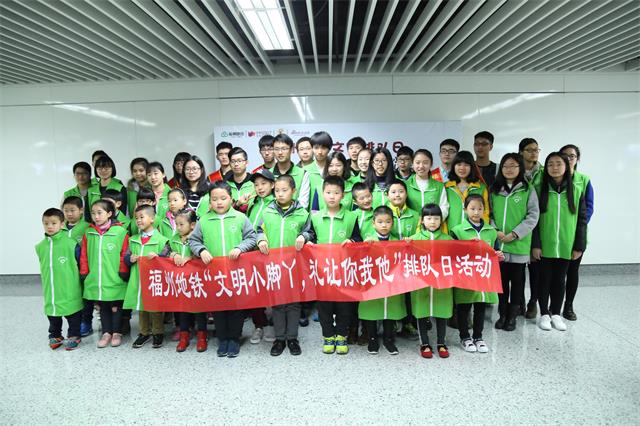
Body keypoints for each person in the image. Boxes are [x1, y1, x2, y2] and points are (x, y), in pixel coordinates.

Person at [188, 181, 259, 358]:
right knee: (218, 308)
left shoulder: (240, 218)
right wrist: (201, 250)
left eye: (223, 198)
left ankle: (234, 338)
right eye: (214, 199)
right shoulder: (204, 220)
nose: (219, 202)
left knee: (236, 307)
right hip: (214, 273)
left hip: (236, 272)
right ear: (209, 201)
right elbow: (193, 240)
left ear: (231, 199)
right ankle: (223, 339)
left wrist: (240, 248)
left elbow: (251, 237)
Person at [256, 175, 312, 356]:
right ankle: (279, 339)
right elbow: (258, 230)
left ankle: (292, 338)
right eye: (277, 190)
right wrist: (261, 239)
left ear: (293, 191)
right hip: (273, 266)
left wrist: (304, 236)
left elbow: (310, 232)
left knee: (294, 304)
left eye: (284, 190)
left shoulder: (302, 213)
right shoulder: (267, 211)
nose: (280, 194)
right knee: (277, 304)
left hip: (294, 267)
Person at [532, 152, 587, 332]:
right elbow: (533, 219)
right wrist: (536, 244)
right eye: (550, 164)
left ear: (566, 166)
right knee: (544, 279)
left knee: (560, 280)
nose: (554, 167)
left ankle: (556, 313)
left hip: (566, 244)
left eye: (558, 164)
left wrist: (579, 245)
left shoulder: (576, 190)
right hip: (545, 244)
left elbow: (582, 220)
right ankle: (544, 314)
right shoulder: (538, 188)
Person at [306, 176, 362, 355]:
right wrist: (308, 242)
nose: (332, 196)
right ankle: (328, 336)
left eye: (336, 193)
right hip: (322, 271)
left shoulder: (351, 217)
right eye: (328, 192)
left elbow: (358, 238)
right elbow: (311, 236)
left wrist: (352, 241)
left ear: (343, 195)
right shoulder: (315, 217)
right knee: (325, 307)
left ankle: (341, 336)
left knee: (344, 306)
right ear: (323, 194)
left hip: (343, 270)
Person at [490, 153, 539, 331]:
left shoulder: (528, 189)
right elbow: (489, 213)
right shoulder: (494, 189)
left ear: (520, 168)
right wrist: (495, 230)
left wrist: (515, 234)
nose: (509, 169)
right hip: (499, 245)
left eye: (513, 166)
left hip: (519, 244)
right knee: (501, 282)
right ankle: (502, 314)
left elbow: (533, 216)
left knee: (517, 283)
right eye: (505, 166)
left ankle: (512, 316)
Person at [450, 194, 502, 353]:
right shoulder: (457, 230)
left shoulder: (491, 231)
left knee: (481, 306)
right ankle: (465, 337)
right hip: (465, 276)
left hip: (484, 276)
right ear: (465, 209)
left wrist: (499, 255)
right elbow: (452, 254)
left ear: (484, 210)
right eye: (472, 208)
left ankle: (478, 337)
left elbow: (495, 250)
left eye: (480, 208)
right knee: (464, 307)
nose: (476, 212)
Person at [79, 199, 130, 348]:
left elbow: (124, 253)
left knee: (116, 306)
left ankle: (117, 332)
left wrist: (123, 271)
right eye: (93, 213)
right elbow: (84, 255)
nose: (96, 216)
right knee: (103, 306)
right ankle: (106, 333)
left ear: (109, 213)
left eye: (100, 213)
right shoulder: (89, 232)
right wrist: (84, 272)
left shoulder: (120, 232)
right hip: (97, 278)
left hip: (114, 277)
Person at [359, 206, 405, 355]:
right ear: (373, 223)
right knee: (371, 308)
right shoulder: (368, 240)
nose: (384, 225)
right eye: (380, 222)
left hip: (391, 281)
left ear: (392, 223)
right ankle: (372, 339)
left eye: (387, 222)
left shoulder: (397, 241)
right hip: (373, 280)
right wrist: (365, 247)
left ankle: (388, 339)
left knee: (390, 308)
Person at [36, 208, 84, 350]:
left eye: (53, 223)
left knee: (73, 313)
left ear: (62, 224)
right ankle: (55, 335)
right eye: (46, 223)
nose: (49, 226)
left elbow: (81, 264)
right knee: (52, 313)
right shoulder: (40, 246)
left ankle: (74, 335)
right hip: (50, 288)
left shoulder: (71, 244)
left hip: (69, 287)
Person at [124, 205, 171, 349]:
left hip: (154, 279)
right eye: (136, 218)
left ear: (152, 219)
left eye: (142, 217)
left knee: (155, 306)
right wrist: (130, 259)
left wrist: (158, 257)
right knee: (141, 306)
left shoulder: (162, 240)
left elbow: (167, 258)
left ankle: (158, 332)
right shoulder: (133, 240)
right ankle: (143, 332)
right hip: (138, 279)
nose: (138, 220)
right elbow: (126, 257)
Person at [409, 204, 453, 359]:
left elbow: (458, 258)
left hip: (442, 284)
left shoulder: (448, 240)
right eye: (428, 218)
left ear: (441, 220)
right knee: (421, 312)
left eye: (436, 218)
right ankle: (424, 343)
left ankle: (441, 342)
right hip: (421, 284)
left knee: (442, 312)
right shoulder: (414, 239)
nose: (432, 222)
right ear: (422, 220)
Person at [559, 144, 594, 321]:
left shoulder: (584, 180)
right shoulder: (553, 177)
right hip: (555, 235)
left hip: (575, 236)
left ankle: (569, 306)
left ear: (577, 159)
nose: (568, 159)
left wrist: (575, 227)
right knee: (555, 274)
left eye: (571, 156)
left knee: (572, 272)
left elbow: (589, 208)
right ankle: (552, 307)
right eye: (564, 155)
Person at [171, 209, 208, 353]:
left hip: (196, 281)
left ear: (192, 225)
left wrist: (191, 258)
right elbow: (165, 252)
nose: (178, 228)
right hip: (180, 282)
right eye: (176, 224)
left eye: (181, 224)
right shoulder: (173, 238)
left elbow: (205, 254)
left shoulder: (198, 238)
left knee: (199, 310)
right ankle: (184, 336)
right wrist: (173, 254)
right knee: (183, 309)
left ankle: (202, 336)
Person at [245, 169, 276, 343]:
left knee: (271, 290)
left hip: (269, 253)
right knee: (255, 290)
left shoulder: (276, 203)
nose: (260, 187)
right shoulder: (253, 203)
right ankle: (259, 325)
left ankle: (271, 324)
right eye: (256, 185)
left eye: (264, 183)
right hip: (251, 253)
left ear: (272, 185)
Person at [518, 138, 543, 319]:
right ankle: (519, 301)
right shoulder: (514, 170)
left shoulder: (544, 173)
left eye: (536, 150)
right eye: (529, 150)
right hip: (516, 225)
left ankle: (533, 301)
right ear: (521, 152)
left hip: (538, 225)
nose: (534, 153)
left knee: (535, 268)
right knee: (518, 270)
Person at [62, 196, 93, 336]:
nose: (69, 214)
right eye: (66, 210)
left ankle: (86, 322)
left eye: (72, 210)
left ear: (81, 210)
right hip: (67, 270)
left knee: (85, 297)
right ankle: (75, 323)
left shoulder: (87, 227)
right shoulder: (60, 228)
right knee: (72, 296)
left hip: (83, 269)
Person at [444, 151, 490, 232]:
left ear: (472, 167)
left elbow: (485, 213)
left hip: (473, 235)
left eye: (466, 165)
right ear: (454, 166)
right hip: (451, 234)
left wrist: (481, 233)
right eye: (459, 164)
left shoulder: (481, 188)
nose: (462, 168)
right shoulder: (446, 187)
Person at [405, 149, 449, 220]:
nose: (421, 166)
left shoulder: (439, 186)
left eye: (425, 163)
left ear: (431, 164)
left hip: (433, 225)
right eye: (417, 162)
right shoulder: (406, 185)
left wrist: (433, 221)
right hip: (411, 225)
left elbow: (444, 207)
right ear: (412, 164)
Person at [270, 133, 310, 209]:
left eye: (284, 149)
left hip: (295, 215)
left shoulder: (302, 173)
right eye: (276, 149)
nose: (280, 152)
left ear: (292, 149)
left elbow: (303, 204)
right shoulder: (268, 174)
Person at [305, 131, 333, 212]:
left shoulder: (334, 169)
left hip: (333, 214)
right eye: (316, 148)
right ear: (312, 148)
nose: (320, 152)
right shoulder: (306, 170)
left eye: (323, 148)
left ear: (329, 149)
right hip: (312, 216)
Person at [225, 147, 255, 214]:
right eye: (233, 161)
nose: (236, 164)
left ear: (246, 162)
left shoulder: (255, 183)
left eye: (239, 161)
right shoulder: (225, 185)